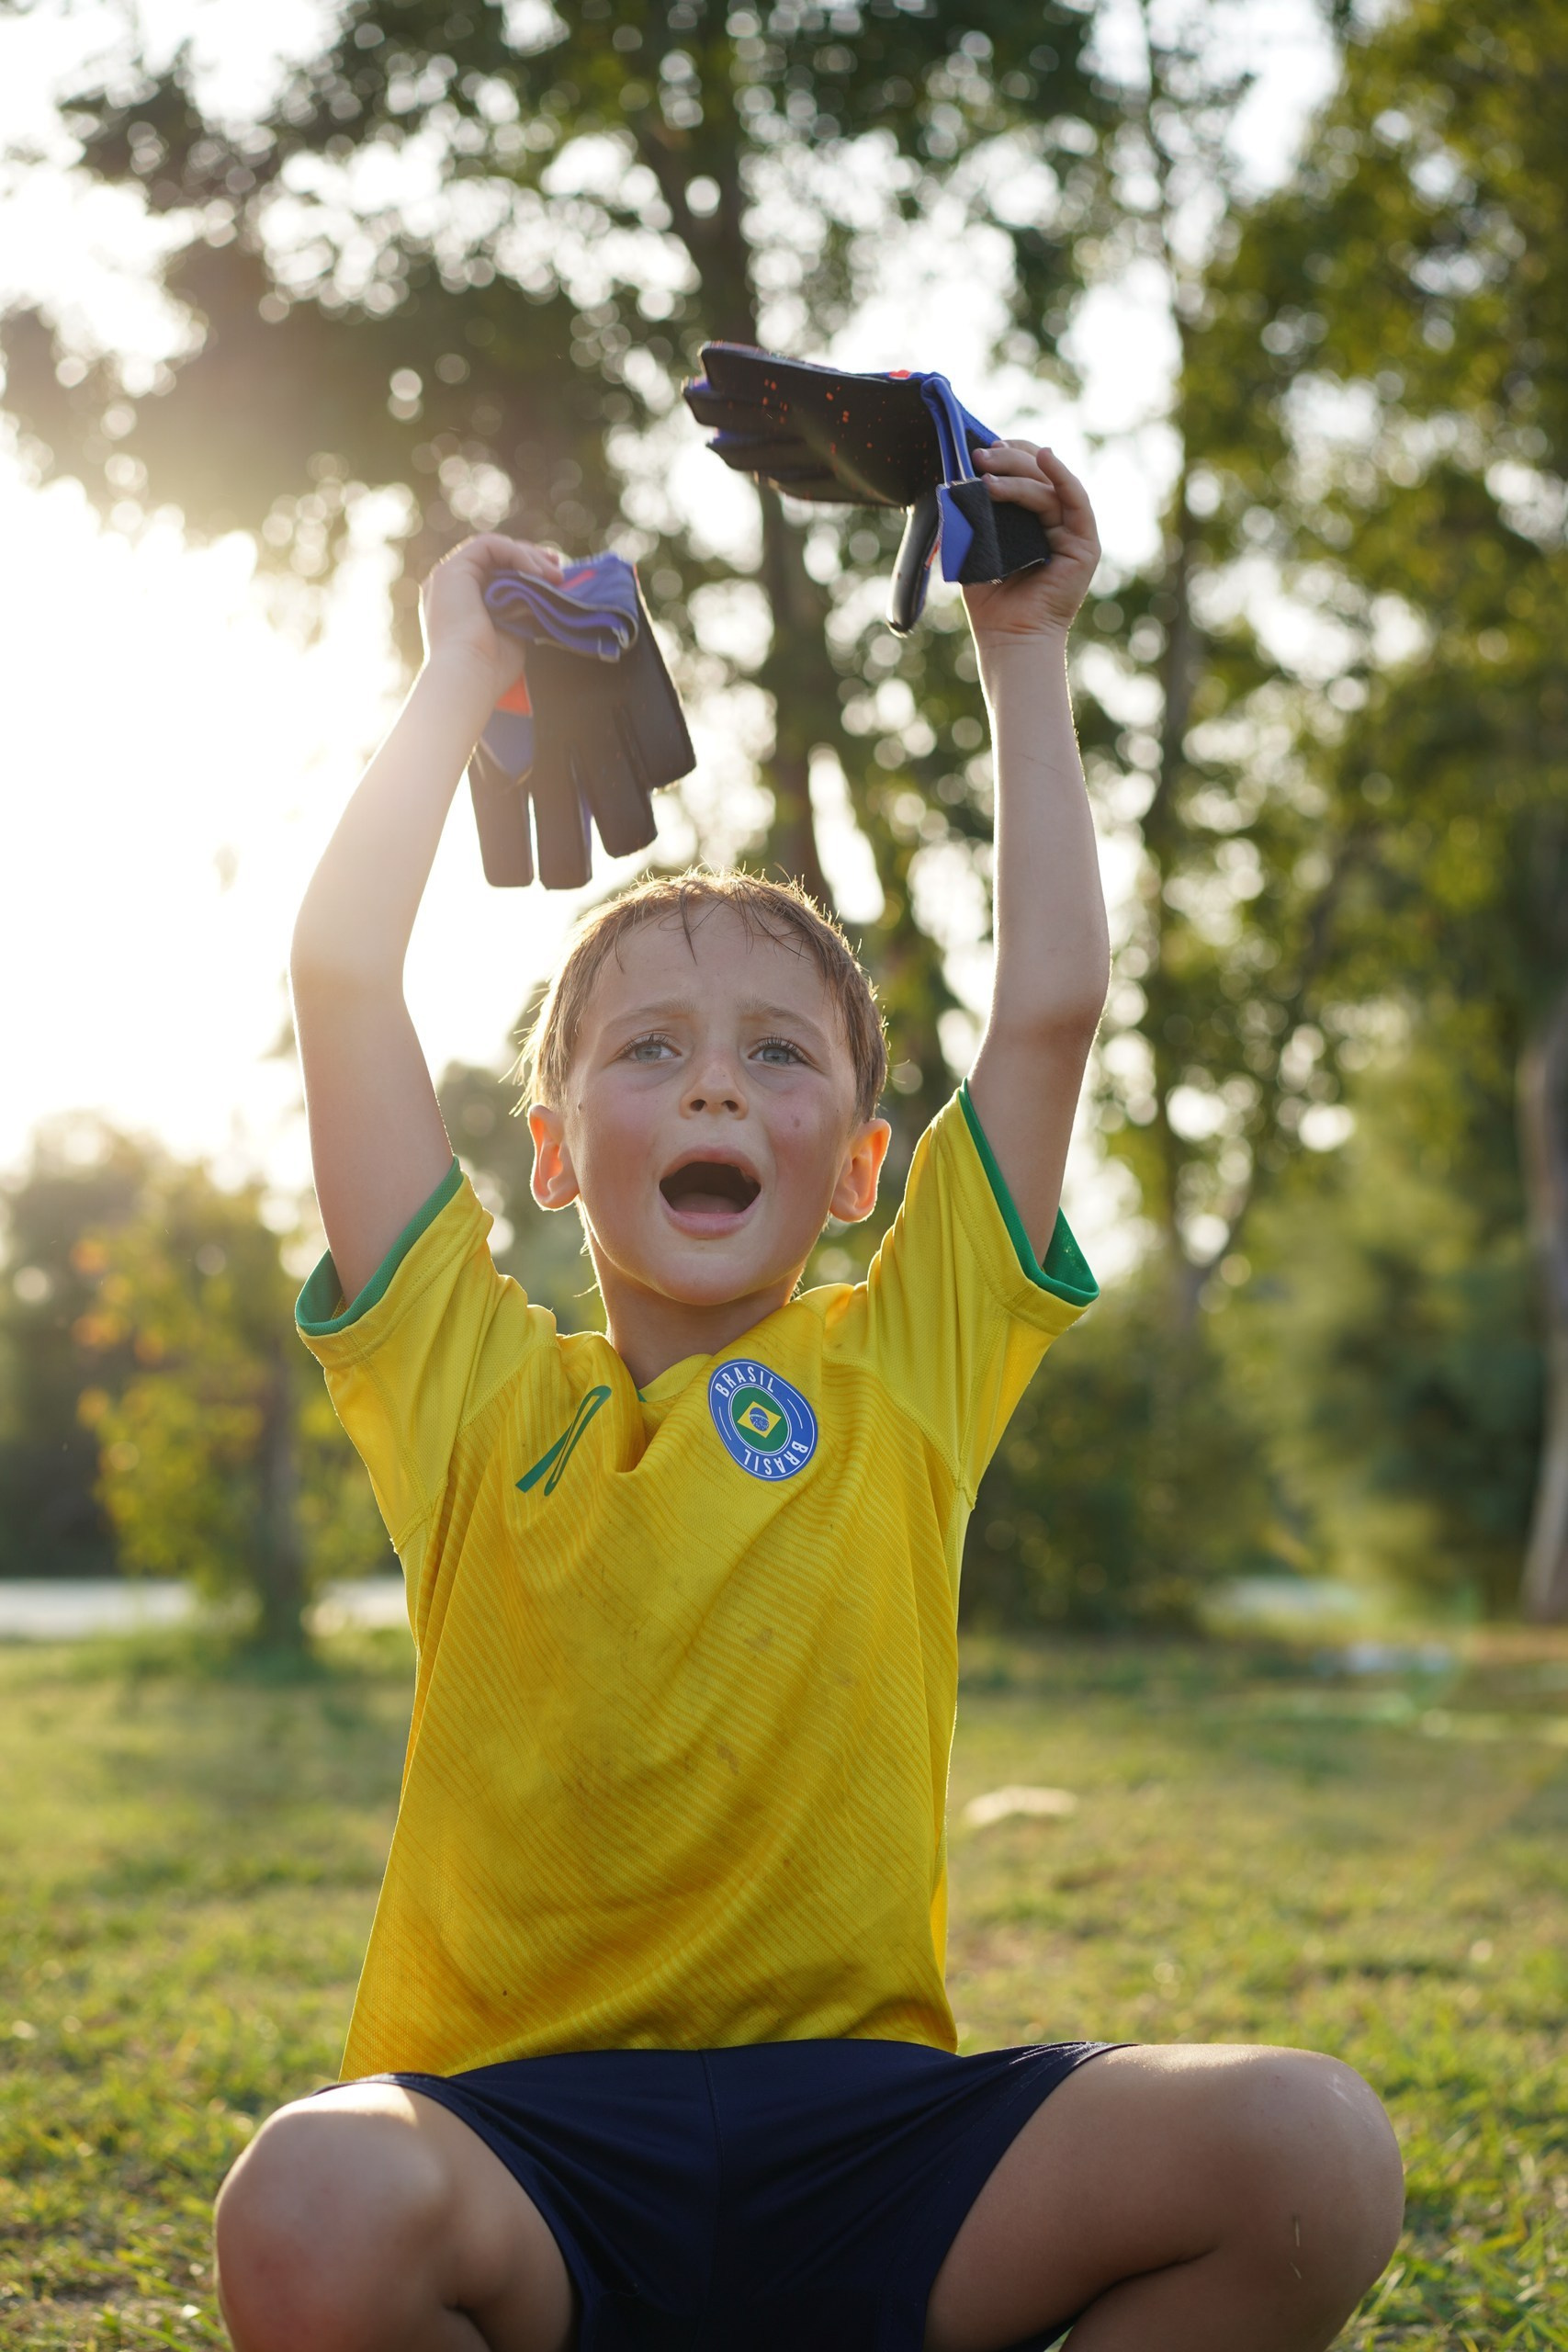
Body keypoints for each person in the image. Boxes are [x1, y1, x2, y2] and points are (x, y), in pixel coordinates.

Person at [213, 440, 1404, 2352]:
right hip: (528, 2148)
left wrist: (1024, 645)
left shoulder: (903, 1360)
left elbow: (1047, 1010)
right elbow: (342, 972)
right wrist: (457, 671)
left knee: (1308, 2144)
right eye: (650, 1051)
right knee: (308, 2199)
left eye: (776, 1055)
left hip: (877, 2153)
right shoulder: (460, 1385)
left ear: (855, 1165)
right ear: (547, 1149)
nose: (708, 1087)